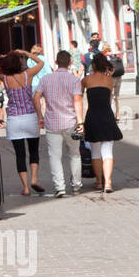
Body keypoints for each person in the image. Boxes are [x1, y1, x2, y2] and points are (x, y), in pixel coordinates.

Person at [34, 49, 84, 198]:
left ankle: (59, 187)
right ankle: (76, 185)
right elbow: (77, 100)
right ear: (70, 63)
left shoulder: (46, 79)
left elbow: (36, 98)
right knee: (75, 155)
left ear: (55, 62)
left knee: (55, 156)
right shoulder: (74, 80)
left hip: (52, 123)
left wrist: (40, 117)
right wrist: (80, 121)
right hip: (70, 122)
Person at [0, 48, 46, 195]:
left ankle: (25, 187)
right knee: (34, 150)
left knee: (20, 154)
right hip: (29, 116)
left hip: (14, 119)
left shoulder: (3, 77)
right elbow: (41, 63)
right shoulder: (27, 74)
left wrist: (5, 59)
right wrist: (25, 53)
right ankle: (34, 179)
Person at [82, 52, 122, 193]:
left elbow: (79, 98)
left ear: (93, 65)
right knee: (108, 152)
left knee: (95, 152)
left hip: (92, 116)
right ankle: (108, 183)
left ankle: (99, 182)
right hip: (107, 116)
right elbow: (110, 99)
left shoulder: (86, 80)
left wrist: (80, 121)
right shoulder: (109, 80)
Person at [100, 41, 125, 120]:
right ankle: (117, 115)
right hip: (119, 76)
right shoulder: (114, 55)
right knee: (116, 97)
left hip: (110, 78)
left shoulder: (103, 57)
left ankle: (111, 115)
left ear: (103, 50)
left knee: (110, 97)